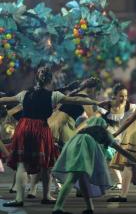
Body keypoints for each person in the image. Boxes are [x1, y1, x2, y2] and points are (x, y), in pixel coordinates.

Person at [0, 66, 99, 207]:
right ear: (49, 80)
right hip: (41, 127)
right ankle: (46, 196)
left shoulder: (24, 94)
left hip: (24, 127)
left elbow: (4, 100)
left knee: (22, 163)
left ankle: (19, 199)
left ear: (36, 78)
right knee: (45, 165)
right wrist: (96, 102)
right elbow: (76, 99)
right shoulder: (53, 96)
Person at [51, 117, 136, 214]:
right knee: (73, 178)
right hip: (83, 149)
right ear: (104, 126)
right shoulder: (104, 134)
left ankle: (89, 207)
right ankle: (57, 208)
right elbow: (122, 151)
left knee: (82, 179)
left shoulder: (83, 131)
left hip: (73, 146)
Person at [98, 83, 136, 190]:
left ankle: (127, 181)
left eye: (125, 96)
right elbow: (95, 111)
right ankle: (119, 182)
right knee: (111, 159)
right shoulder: (107, 105)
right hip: (110, 138)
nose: (123, 98)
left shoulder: (131, 107)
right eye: (121, 95)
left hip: (124, 137)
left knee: (124, 162)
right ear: (114, 95)